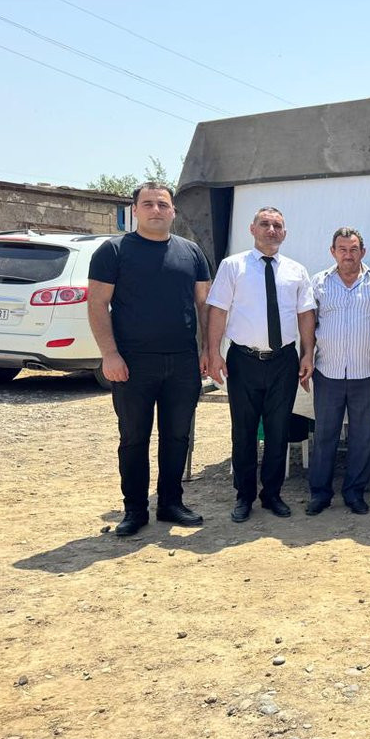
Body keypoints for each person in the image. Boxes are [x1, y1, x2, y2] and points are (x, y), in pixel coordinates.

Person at [87, 182, 211, 536]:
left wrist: (208, 349)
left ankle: (171, 503)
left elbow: (204, 304)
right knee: (133, 439)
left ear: (173, 211)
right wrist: (109, 354)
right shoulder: (114, 251)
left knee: (177, 437)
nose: (156, 210)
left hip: (182, 362)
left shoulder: (191, 252)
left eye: (162, 204)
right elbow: (97, 303)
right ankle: (134, 510)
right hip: (132, 363)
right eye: (148, 204)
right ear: (135, 210)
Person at [207, 206, 316, 522]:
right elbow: (218, 310)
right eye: (265, 224)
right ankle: (244, 496)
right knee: (243, 431)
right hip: (243, 360)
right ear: (252, 229)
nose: (271, 230)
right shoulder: (233, 266)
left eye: (277, 226)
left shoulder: (296, 270)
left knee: (278, 431)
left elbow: (305, 314)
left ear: (285, 233)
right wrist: (213, 352)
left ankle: (272, 494)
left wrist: (307, 353)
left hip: (283, 361)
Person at [305, 227, 370, 516]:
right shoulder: (319, 283)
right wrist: (306, 357)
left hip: (367, 373)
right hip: (328, 373)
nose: (348, 255)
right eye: (342, 249)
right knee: (325, 435)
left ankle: (355, 492)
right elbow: (309, 324)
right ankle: (320, 494)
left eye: (354, 249)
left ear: (363, 252)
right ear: (333, 252)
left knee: (363, 437)